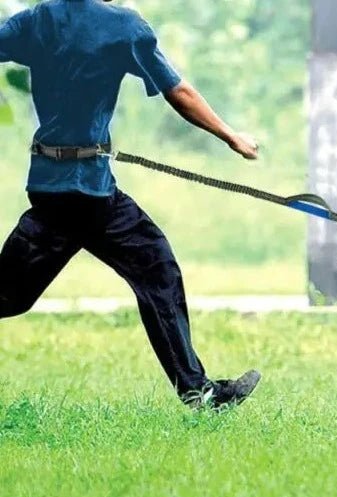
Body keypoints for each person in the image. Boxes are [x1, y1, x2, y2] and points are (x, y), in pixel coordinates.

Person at [0, 0, 261, 409]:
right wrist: (231, 136)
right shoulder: (123, 26)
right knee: (156, 269)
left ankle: (199, 391)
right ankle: (200, 393)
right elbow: (178, 90)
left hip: (53, 185)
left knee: (10, 295)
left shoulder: (37, 20)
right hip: (87, 191)